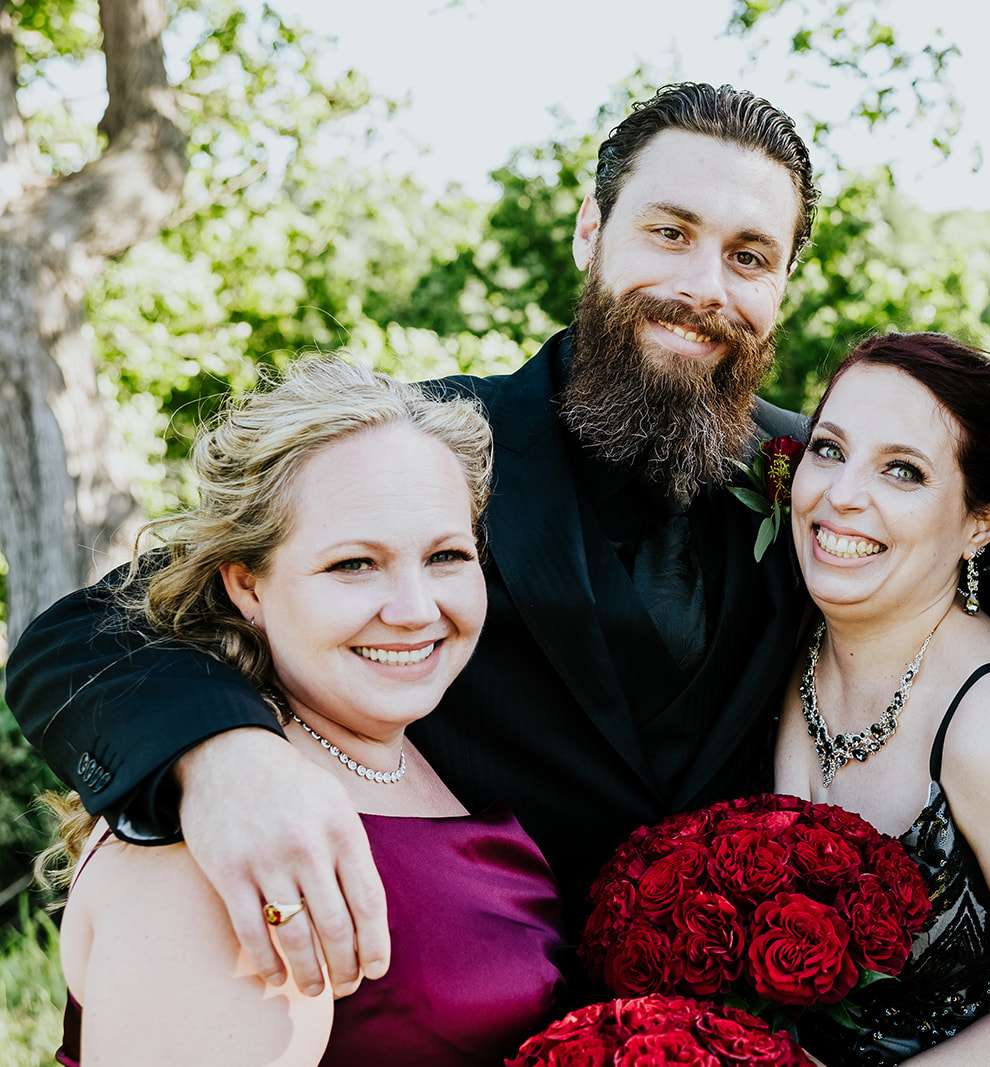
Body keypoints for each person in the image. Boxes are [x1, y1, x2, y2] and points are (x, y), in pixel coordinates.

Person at [7, 82, 815, 998]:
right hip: (450, 997)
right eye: (669, 232)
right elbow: (77, 638)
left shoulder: (822, 481)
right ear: (591, 232)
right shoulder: (423, 448)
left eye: (749, 256)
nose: (704, 287)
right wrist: (227, 757)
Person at [43, 358, 564, 1065]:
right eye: (354, 564)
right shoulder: (232, 839)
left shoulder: (412, 748)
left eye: (445, 555)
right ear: (247, 585)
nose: (415, 610)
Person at [773, 333, 990, 1065]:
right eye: (830, 450)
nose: (842, 495)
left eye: (901, 471)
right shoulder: (787, 635)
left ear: (979, 524)